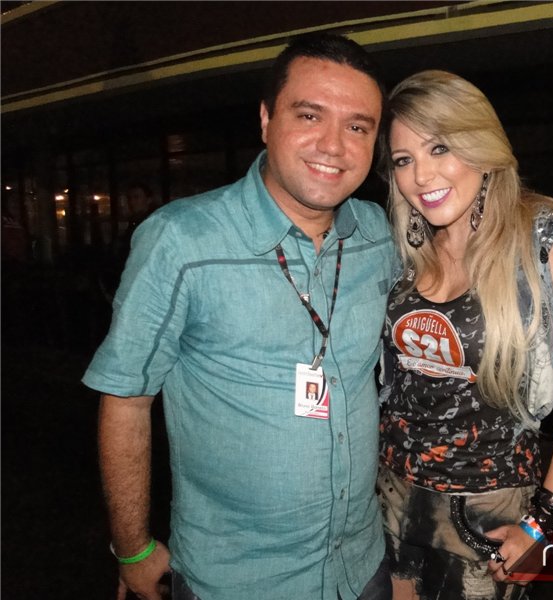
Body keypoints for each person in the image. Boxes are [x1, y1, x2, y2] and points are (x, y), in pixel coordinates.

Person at [82, 33, 395, 600]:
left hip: (362, 568)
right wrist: (132, 547)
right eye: (309, 115)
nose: (333, 145)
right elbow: (126, 399)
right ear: (266, 119)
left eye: (357, 127)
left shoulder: (380, 236)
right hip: (236, 582)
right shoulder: (181, 240)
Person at [376, 71, 553, 599]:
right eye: (404, 159)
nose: (421, 175)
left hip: (486, 511)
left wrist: (543, 523)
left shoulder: (543, 238)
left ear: (482, 147)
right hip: (391, 497)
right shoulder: (402, 252)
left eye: (440, 148)